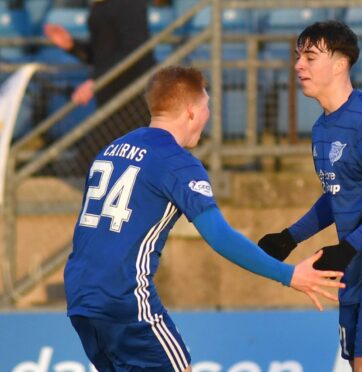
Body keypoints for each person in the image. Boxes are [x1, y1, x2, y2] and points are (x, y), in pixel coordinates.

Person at [64, 66, 345, 371]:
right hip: (124, 298)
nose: (208, 114)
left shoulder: (111, 149)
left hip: (81, 298)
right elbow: (220, 236)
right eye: (206, 106)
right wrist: (288, 274)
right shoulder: (177, 162)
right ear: (190, 111)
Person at [258, 21, 362, 372]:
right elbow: (337, 195)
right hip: (354, 272)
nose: (298, 66)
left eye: (309, 56)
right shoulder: (322, 127)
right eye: (297, 57)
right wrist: (290, 237)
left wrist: (348, 247)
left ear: (340, 63)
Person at [44, 0, 155, 166]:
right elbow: (103, 56)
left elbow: (135, 53)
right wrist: (72, 45)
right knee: (101, 163)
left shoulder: (131, 4)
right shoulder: (99, 7)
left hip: (133, 98)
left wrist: (95, 81)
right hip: (110, 99)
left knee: (96, 161)